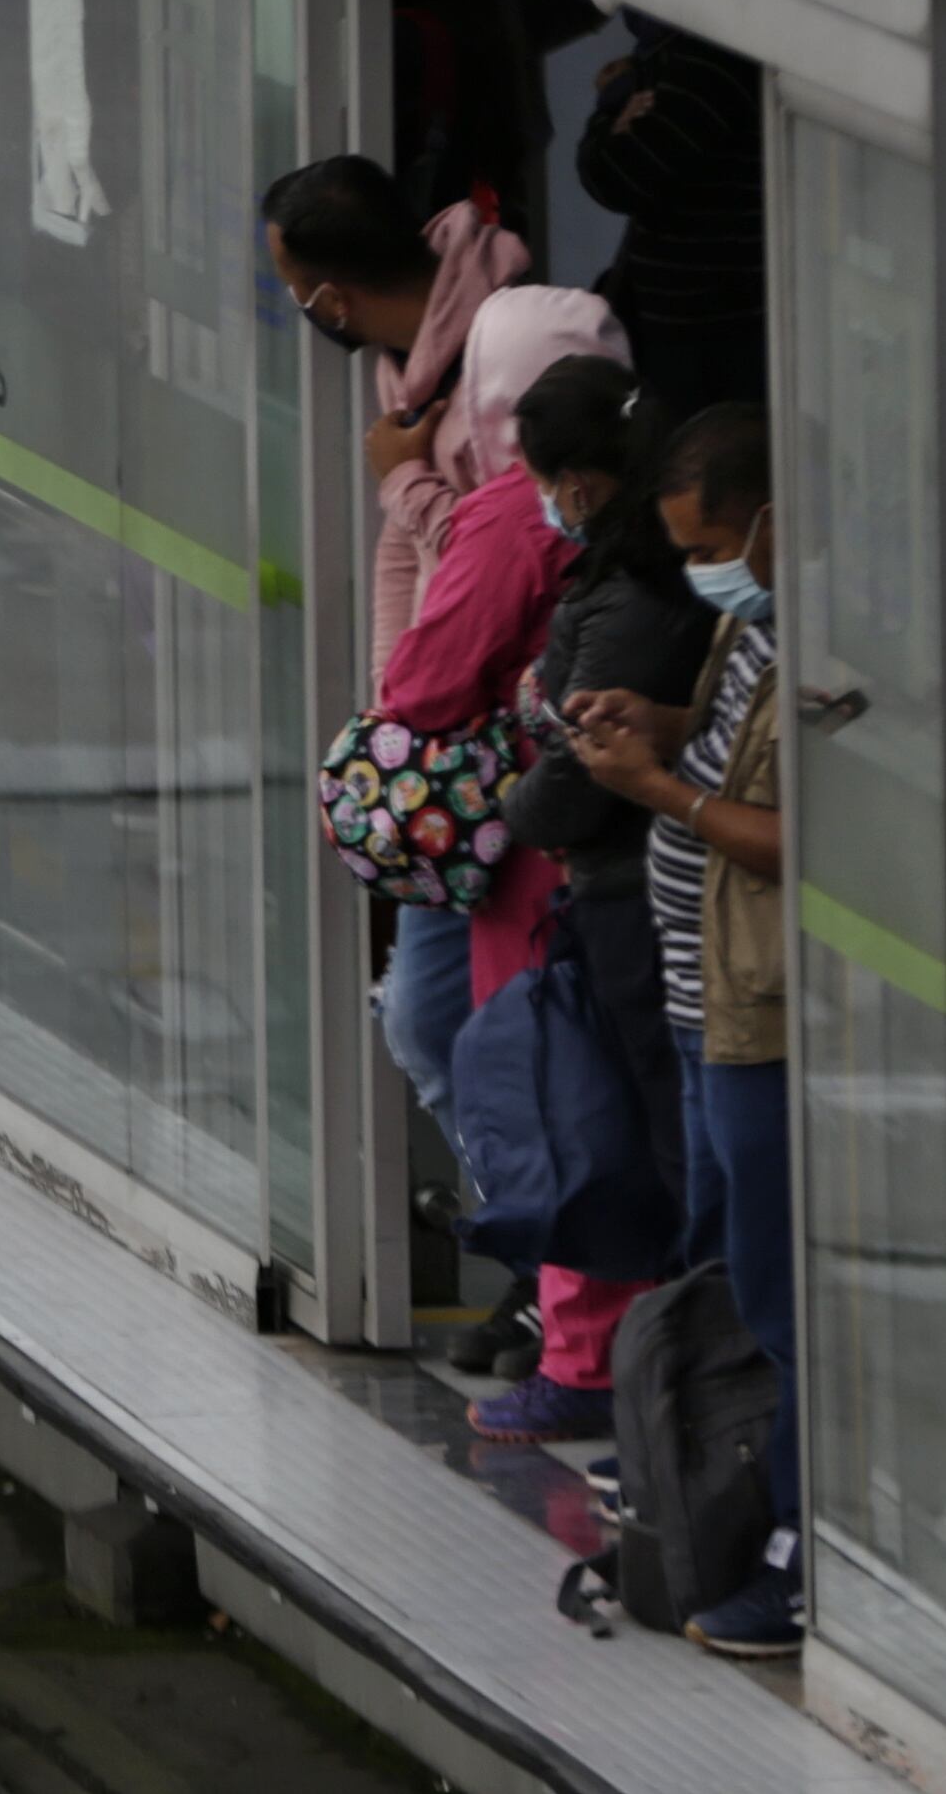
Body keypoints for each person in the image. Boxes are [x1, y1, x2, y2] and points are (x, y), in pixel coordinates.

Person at [564, 405, 798, 1661]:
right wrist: (648, 722)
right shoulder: (745, 625)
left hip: (761, 1014)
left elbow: (803, 838)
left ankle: (797, 1545)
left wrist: (659, 792)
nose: (702, 571)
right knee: (719, 1258)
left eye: (710, 547)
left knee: (774, 1288)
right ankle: (703, 1466)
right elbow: (712, 747)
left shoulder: (823, 645)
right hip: (702, 997)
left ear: (771, 522)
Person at [464, 353, 708, 1442]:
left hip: (632, 890)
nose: (542, 503)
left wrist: (513, 810)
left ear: (579, 480)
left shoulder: (634, 589)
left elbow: (579, 765)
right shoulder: (625, 570)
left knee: (652, 1129)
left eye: (546, 481)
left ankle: (671, 1389)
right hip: (625, 887)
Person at [364, 280, 629, 1147]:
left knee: (501, 1045)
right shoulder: (639, 489)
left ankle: (524, 1212)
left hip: (514, 825)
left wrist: (411, 490)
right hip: (606, 824)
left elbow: (422, 686)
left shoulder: (516, 514)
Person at [260, 153, 527, 675]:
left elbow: (508, 561)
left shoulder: (513, 356)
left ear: (334, 301)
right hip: (435, 683)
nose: (297, 301)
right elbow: (403, 546)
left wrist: (405, 477)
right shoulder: (402, 363)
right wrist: (389, 699)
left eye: (295, 288)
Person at [581, 12, 768, 431]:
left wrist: (608, 111)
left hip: (711, 330)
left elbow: (615, 176)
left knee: (703, 450)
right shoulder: (666, 57)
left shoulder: (703, 64)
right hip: (692, 320)